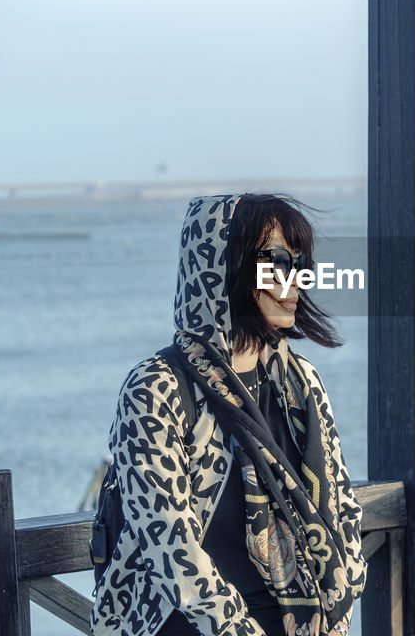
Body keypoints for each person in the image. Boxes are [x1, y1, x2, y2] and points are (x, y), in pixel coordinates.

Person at [90, 193, 366, 636]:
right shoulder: (156, 388)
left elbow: (344, 512)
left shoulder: (301, 385)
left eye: (300, 261)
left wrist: (339, 609)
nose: (295, 277)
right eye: (276, 260)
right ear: (222, 266)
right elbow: (170, 549)